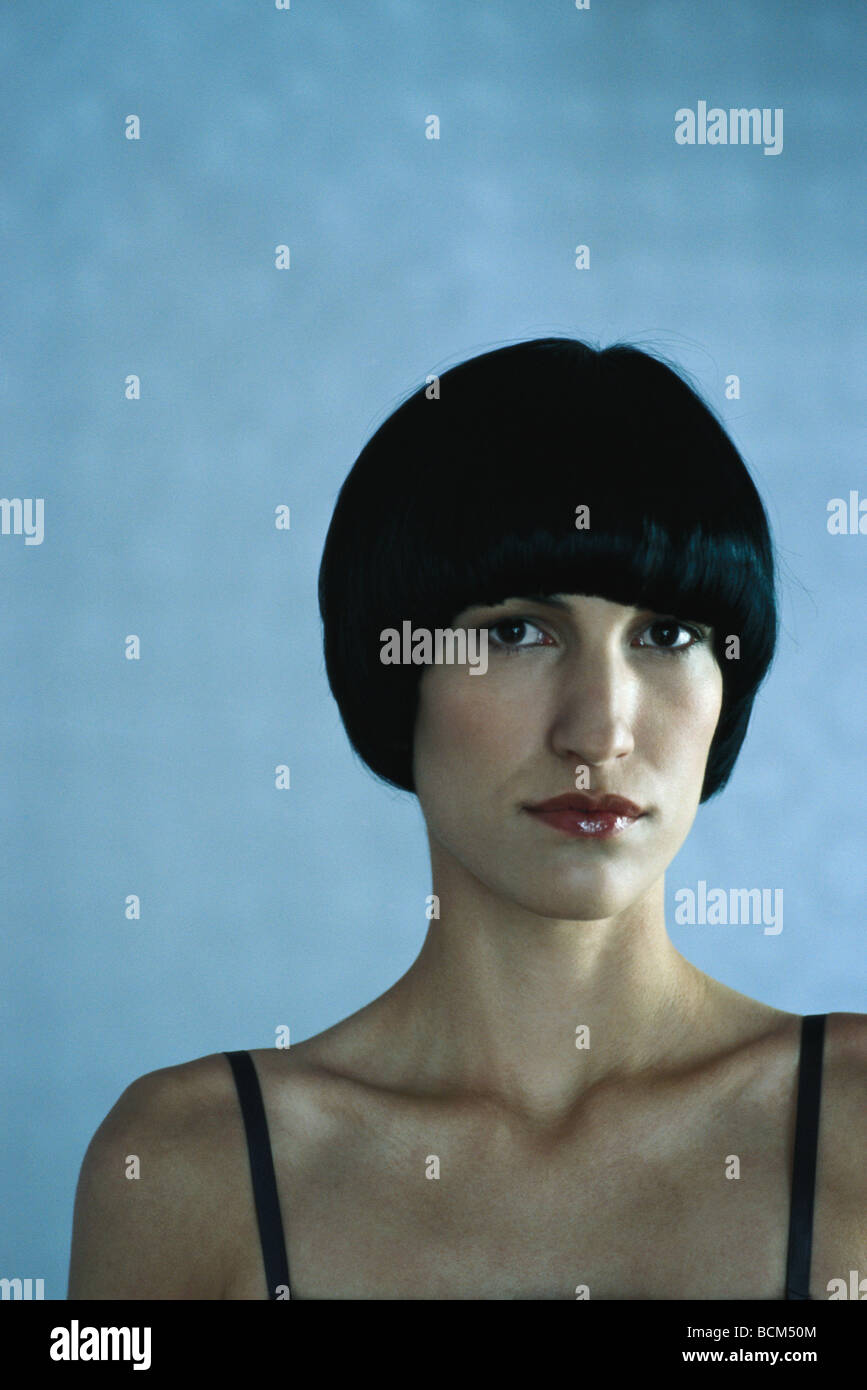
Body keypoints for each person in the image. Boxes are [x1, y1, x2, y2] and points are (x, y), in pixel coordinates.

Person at [68, 337, 866, 1300]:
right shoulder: (192, 1166)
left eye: (666, 634)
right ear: (392, 671)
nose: (599, 729)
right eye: (519, 632)